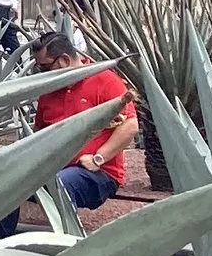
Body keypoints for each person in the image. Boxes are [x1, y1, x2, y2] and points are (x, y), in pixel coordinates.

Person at [29, 24, 136, 213]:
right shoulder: (49, 91)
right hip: (52, 170)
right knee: (5, 185)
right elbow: (39, 132)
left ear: (64, 60)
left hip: (98, 173)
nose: (40, 73)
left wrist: (98, 158)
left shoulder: (105, 80)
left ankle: (65, 240)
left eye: (44, 67)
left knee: (62, 184)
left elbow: (130, 125)